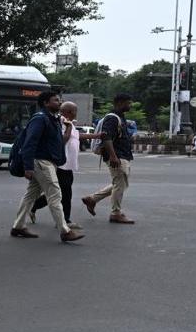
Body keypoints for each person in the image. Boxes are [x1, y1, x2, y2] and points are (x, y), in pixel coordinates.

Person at [11, 91, 84, 242]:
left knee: (30, 195)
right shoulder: (40, 119)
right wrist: (28, 166)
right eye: (56, 100)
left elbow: (59, 142)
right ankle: (65, 230)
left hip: (49, 162)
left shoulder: (54, 119)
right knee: (55, 194)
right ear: (46, 103)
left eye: (59, 100)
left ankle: (18, 226)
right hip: (41, 162)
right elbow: (29, 143)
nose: (59, 102)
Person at [32, 101, 96, 227]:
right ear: (66, 112)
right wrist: (68, 127)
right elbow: (62, 141)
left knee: (58, 192)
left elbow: (77, 136)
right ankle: (65, 220)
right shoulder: (60, 122)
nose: (75, 114)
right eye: (73, 111)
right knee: (65, 193)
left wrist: (97, 135)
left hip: (68, 165)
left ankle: (33, 207)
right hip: (61, 163)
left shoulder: (69, 124)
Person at [82, 93, 136, 224]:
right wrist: (113, 156)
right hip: (117, 155)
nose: (130, 105)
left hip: (122, 154)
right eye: (128, 103)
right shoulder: (112, 118)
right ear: (120, 103)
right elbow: (106, 137)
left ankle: (92, 199)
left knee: (121, 183)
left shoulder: (120, 117)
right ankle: (115, 213)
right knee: (120, 183)